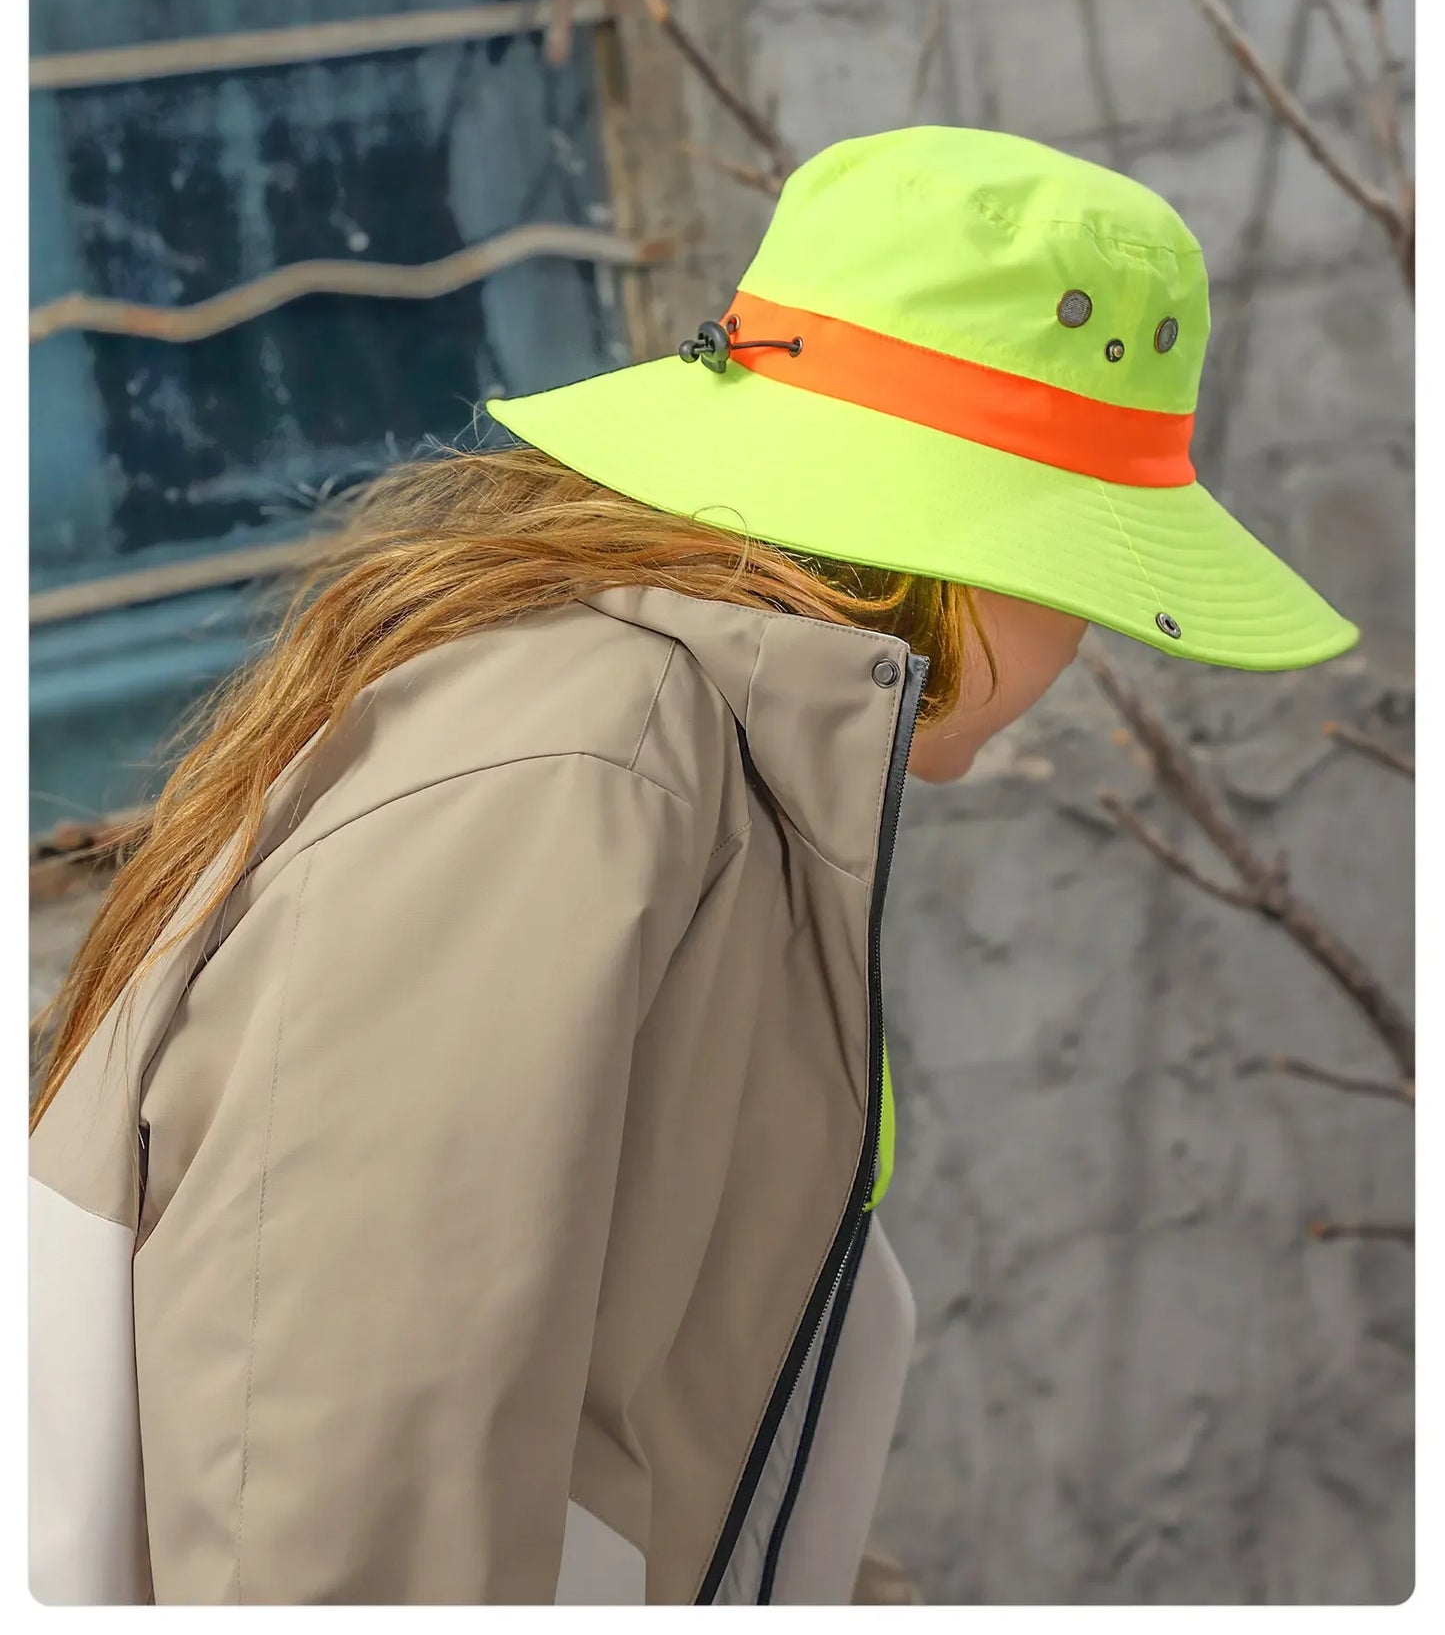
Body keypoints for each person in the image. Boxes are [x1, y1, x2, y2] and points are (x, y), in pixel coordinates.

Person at [28, 126, 1357, 1606]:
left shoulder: (685, 758)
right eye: (1087, 577)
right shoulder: (577, 779)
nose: (1086, 637)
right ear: (958, 555)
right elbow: (339, 1491)